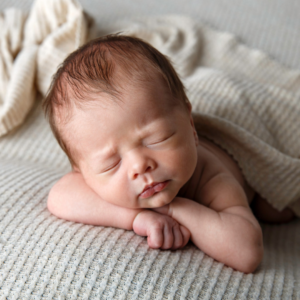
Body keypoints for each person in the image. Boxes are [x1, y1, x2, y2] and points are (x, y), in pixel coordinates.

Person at [43, 34, 294, 274]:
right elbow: (59, 196)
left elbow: (247, 253)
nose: (139, 166)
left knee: (275, 208)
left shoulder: (210, 176)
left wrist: (174, 210)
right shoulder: (96, 171)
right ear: (82, 172)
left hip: (238, 154)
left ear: (191, 125)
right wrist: (136, 218)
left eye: (157, 138)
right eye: (112, 163)